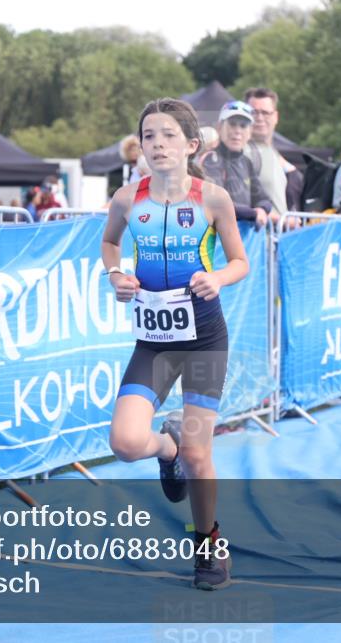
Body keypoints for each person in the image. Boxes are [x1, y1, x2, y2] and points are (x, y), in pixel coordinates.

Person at [102, 98, 248, 590]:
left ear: (190, 145)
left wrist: (218, 278)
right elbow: (109, 244)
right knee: (123, 443)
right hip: (156, 343)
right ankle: (168, 448)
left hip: (204, 339)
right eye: (148, 135)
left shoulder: (213, 199)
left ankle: (207, 543)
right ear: (140, 145)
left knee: (201, 455)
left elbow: (239, 262)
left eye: (168, 135)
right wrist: (116, 273)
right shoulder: (127, 199)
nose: (157, 144)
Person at [198, 100, 272, 228]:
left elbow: (263, 198)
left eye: (243, 126)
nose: (237, 131)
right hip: (217, 242)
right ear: (219, 127)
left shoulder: (246, 162)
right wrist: (253, 214)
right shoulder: (210, 159)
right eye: (232, 124)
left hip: (243, 242)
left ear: (249, 132)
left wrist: (262, 209)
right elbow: (217, 203)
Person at [244, 87, 302, 217]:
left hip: (281, 235)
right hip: (253, 233)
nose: (259, 118)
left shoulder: (276, 157)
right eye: (253, 112)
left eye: (265, 113)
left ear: (275, 117)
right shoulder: (238, 153)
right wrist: (280, 220)